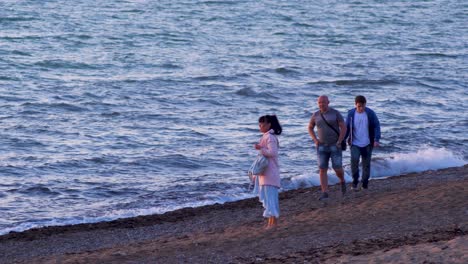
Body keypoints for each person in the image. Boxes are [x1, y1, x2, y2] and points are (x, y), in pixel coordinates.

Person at [308, 95, 347, 200]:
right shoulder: (315, 115)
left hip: (335, 145)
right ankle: (325, 192)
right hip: (321, 146)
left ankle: (342, 180)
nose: (321, 104)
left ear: (328, 102)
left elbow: (343, 127)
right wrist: (315, 140)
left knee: (337, 168)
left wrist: (340, 140)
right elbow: (310, 127)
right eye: (319, 102)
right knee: (322, 168)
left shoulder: (335, 113)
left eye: (323, 102)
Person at [344, 95, 381, 190]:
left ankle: (365, 183)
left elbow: (377, 125)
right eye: (359, 106)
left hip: (368, 143)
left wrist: (376, 140)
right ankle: (355, 181)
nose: (361, 108)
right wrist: (343, 140)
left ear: (365, 104)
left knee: (366, 164)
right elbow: (347, 128)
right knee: (354, 162)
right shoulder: (351, 114)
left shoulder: (370, 113)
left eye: (363, 106)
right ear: (355, 104)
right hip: (355, 143)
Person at [254, 115, 282, 229]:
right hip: (266, 173)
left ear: (269, 124)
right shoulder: (266, 136)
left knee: (270, 198)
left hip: (270, 173)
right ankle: (271, 222)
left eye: (262, 124)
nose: (260, 126)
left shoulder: (270, 137)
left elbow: (272, 152)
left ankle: (273, 223)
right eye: (260, 124)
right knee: (268, 197)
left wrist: (260, 148)